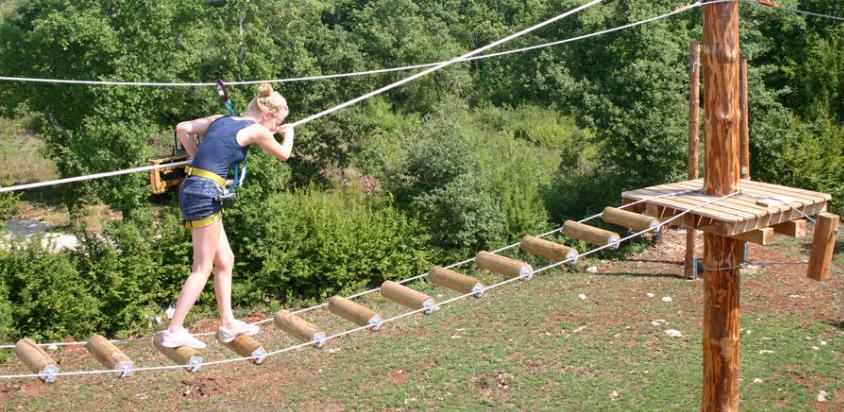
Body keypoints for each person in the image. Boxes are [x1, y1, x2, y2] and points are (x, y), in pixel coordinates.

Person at [159, 84, 294, 349]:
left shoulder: (219, 120)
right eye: (277, 123)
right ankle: (174, 330)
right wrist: (288, 134)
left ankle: (227, 324)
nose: (275, 128)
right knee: (202, 267)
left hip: (197, 187)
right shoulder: (255, 129)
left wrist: (195, 156)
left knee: (226, 259)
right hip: (205, 193)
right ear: (267, 115)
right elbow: (284, 154)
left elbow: (183, 127)